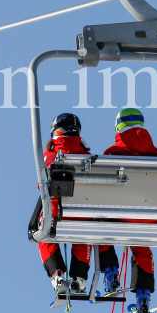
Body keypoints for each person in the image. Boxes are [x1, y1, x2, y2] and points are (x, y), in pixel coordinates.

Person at [36, 113, 121, 295]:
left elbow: (43, 185)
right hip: (83, 213)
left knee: (42, 229)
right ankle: (80, 277)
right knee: (86, 230)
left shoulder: (49, 155)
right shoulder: (89, 157)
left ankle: (57, 273)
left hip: (57, 213)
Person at [102, 108, 157, 313]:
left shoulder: (112, 153)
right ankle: (143, 295)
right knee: (141, 246)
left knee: (101, 226)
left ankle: (111, 274)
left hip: (123, 213)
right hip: (151, 217)